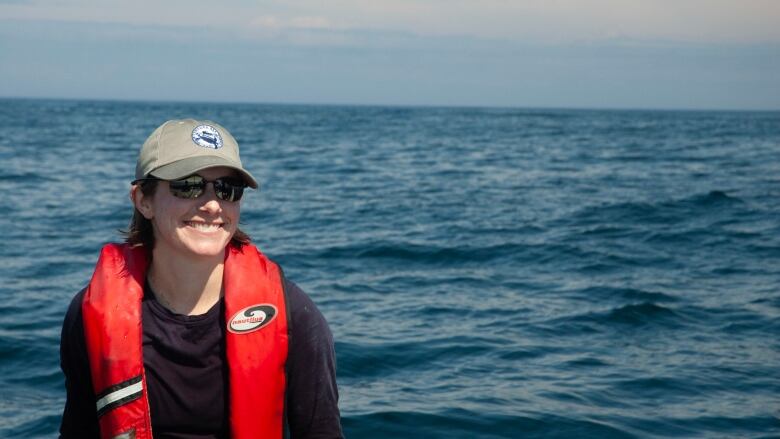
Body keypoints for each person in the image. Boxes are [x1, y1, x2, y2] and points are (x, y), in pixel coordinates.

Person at [59, 119, 343, 439]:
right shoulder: (87, 314)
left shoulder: (296, 318)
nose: (211, 204)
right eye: (188, 185)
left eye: (227, 189)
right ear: (143, 200)